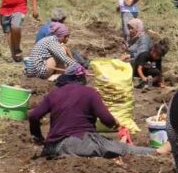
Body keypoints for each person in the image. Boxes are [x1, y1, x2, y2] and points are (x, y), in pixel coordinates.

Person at [29, 63, 163, 158]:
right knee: (120, 148)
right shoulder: (89, 92)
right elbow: (106, 119)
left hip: (52, 147)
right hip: (77, 143)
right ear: (81, 78)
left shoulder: (54, 94)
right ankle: (157, 152)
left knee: (103, 142)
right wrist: (116, 124)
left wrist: (38, 137)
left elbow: (34, 115)